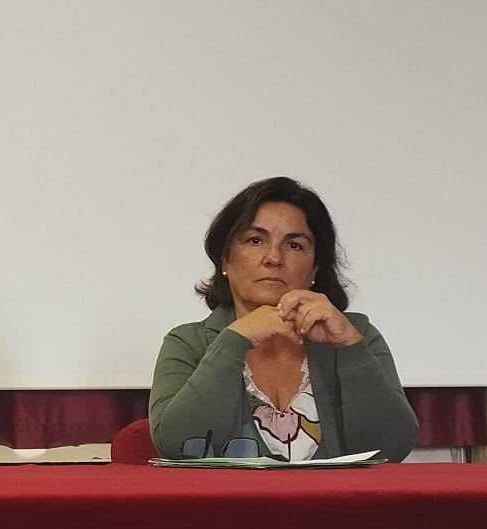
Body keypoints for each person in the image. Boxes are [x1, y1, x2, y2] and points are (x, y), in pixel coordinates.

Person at [149, 176, 418, 461]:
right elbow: (177, 446)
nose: (273, 257)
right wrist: (234, 341)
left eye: (294, 245)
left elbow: (392, 449)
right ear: (225, 259)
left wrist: (350, 348)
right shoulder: (187, 343)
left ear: (315, 267)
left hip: (340, 493)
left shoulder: (357, 333)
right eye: (255, 240)